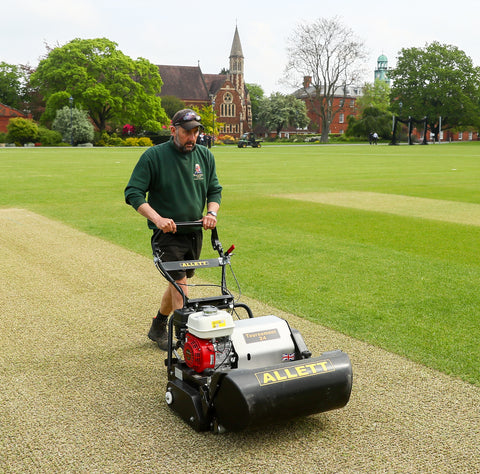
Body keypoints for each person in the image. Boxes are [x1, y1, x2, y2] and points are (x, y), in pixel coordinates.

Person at [124, 109, 222, 350]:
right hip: (167, 235)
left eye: (196, 131)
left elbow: (214, 189)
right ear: (173, 130)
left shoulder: (205, 156)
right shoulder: (153, 157)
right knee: (180, 284)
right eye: (187, 131)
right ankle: (190, 342)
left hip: (194, 231)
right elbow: (133, 193)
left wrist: (211, 213)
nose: (192, 137)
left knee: (178, 282)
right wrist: (158, 219)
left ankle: (158, 325)